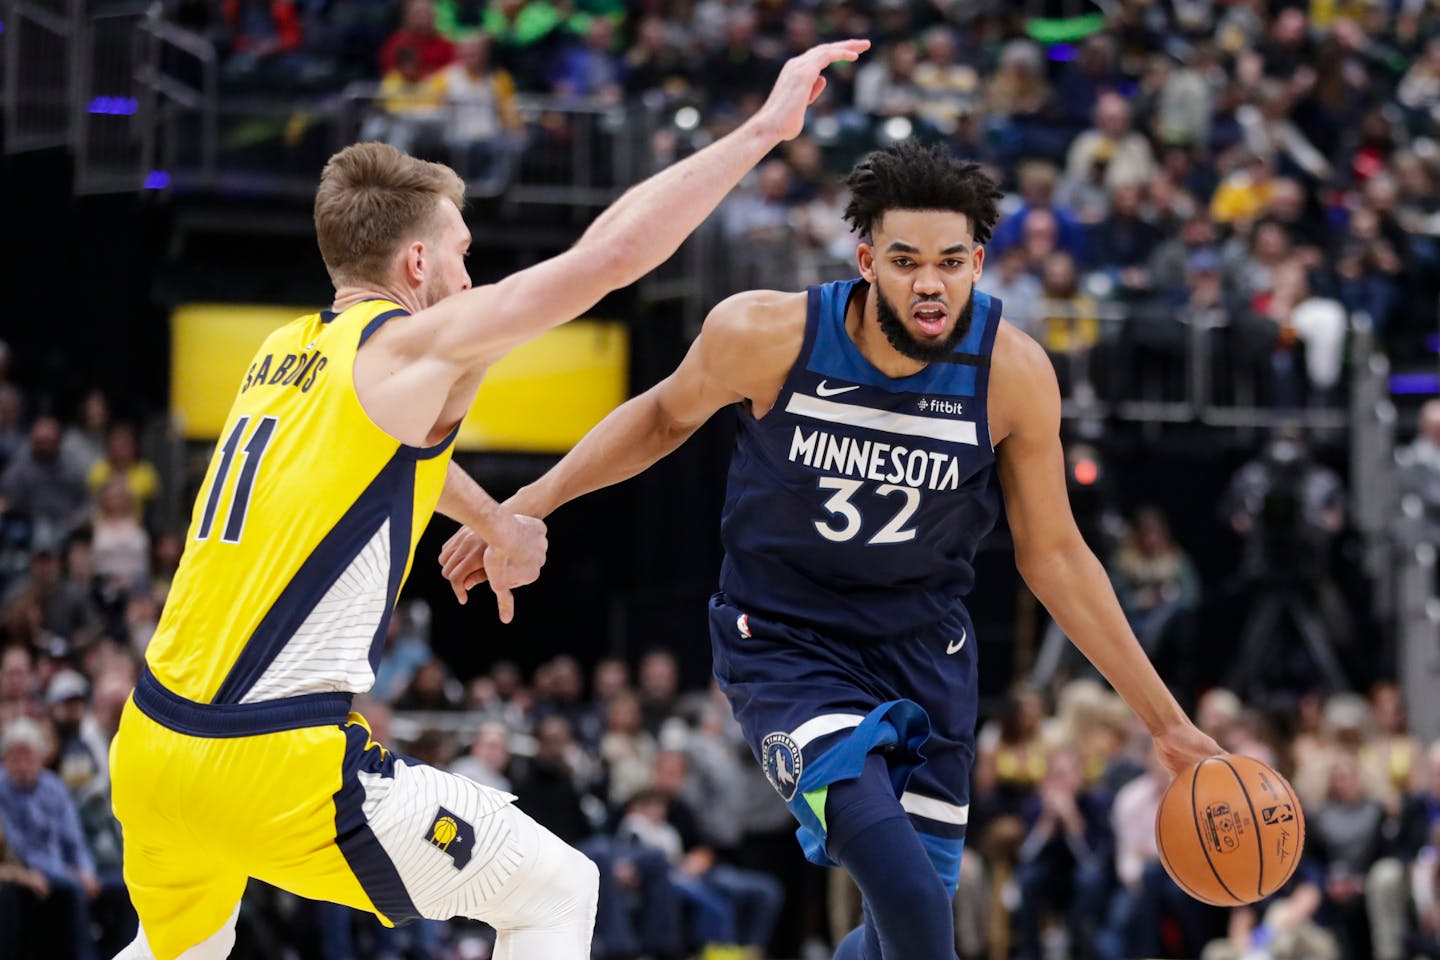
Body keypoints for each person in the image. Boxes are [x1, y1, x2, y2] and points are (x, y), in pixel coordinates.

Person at [106, 38, 868, 960]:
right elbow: (613, 255)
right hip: (271, 757)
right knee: (559, 892)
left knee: (181, 950)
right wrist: (763, 129)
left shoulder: (281, 356)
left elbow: (385, 463)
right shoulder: (412, 347)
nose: (471, 276)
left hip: (148, 749)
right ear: (417, 264)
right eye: (463, 255)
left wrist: (494, 519)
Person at [441, 140, 1222, 959]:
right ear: (866, 260)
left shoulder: (1012, 373)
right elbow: (664, 416)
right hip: (786, 647)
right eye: (906, 259)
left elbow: (1055, 554)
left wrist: (1165, 722)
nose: (930, 282)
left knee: (892, 936)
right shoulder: (767, 332)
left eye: (952, 262)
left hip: (925, 657)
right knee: (915, 904)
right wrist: (526, 504)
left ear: (979, 264)